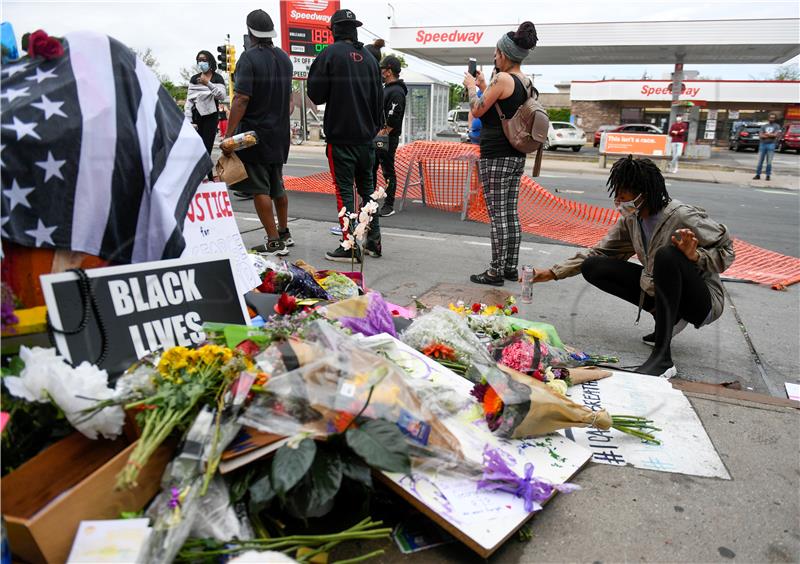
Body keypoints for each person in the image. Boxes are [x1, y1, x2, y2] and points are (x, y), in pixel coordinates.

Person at [531, 156, 735, 378]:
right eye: (616, 195)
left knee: (667, 256)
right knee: (594, 266)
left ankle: (663, 359)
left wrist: (695, 255)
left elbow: (727, 252)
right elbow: (600, 252)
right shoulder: (633, 219)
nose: (618, 202)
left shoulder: (681, 216)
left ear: (643, 195)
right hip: (660, 288)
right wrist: (553, 272)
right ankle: (667, 318)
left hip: (701, 300)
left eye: (623, 196)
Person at [462, 21, 538, 286]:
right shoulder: (524, 81)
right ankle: (509, 266)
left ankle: (494, 272)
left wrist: (472, 86)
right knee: (510, 213)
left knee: (497, 215)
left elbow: (478, 109)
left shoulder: (503, 78)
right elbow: (499, 107)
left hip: (496, 155)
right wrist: (484, 85)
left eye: (496, 54)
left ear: (504, 54)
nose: (494, 58)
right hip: (516, 154)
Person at [307, 8, 383, 263]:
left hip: (341, 137)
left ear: (334, 31)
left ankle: (350, 245)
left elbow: (315, 94)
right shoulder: (370, 59)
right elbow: (378, 101)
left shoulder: (330, 54)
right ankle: (373, 241)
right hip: (367, 138)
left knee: (345, 193)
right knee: (368, 191)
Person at [222, 9, 293, 256]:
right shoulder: (285, 58)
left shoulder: (248, 58)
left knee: (260, 189)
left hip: (254, 136)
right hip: (280, 135)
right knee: (278, 185)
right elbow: (290, 101)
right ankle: (284, 232)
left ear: (250, 31)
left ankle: (274, 242)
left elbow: (241, 98)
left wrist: (229, 134)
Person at [185, 50, 227, 181]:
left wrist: (207, 83)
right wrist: (189, 120)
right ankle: (200, 177)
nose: (201, 62)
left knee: (206, 148)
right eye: (199, 60)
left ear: (210, 61)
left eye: (204, 60)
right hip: (196, 117)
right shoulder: (194, 79)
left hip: (211, 116)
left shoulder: (217, 78)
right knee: (196, 149)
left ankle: (207, 177)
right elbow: (189, 101)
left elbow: (221, 95)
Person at [375, 55, 407, 218]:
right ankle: (370, 202)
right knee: (373, 166)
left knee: (387, 169)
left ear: (388, 71)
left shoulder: (396, 91)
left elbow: (394, 114)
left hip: (386, 138)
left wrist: (384, 132)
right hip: (380, 136)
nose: (380, 71)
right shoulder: (386, 88)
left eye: (382, 69)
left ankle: (388, 205)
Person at [754, 113, 782, 181]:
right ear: (768, 118)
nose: (771, 119)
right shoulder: (764, 126)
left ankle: (768, 176)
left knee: (769, 162)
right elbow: (760, 136)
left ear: (775, 119)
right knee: (760, 161)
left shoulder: (777, 126)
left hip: (771, 144)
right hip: (762, 144)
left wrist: (766, 134)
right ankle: (758, 175)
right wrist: (770, 135)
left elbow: (775, 135)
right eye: (770, 117)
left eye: (773, 118)